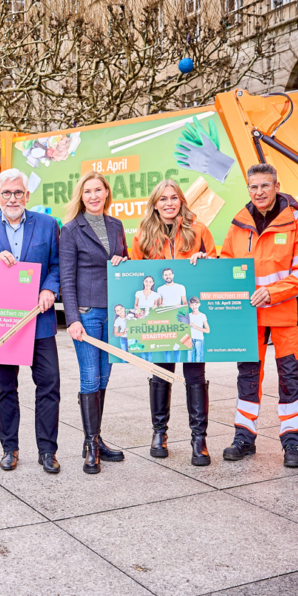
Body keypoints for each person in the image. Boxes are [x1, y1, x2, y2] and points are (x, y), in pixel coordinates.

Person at [0, 168, 62, 474]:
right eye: (6, 193)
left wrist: (49, 288)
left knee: (49, 385)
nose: (12, 198)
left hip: (40, 320)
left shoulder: (47, 225)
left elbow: (58, 264)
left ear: (27, 195)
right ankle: (10, 448)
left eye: (18, 192)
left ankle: (47, 451)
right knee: (5, 388)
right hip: (2, 324)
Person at [220, 163, 298, 468]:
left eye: (264, 186)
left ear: (276, 186)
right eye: (253, 187)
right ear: (248, 188)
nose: (258, 192)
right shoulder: (239, 223)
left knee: (290, 378)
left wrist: (272, 292)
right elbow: (225, 265)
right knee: (247, 378)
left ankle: (292, 443)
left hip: (287, 312)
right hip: (249, 317)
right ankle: (244, 438)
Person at [129, 178, 216, 466]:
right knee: (161, 374)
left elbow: (216, 265)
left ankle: (198, 438)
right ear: (155, 203)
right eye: (163, 198)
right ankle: (159, 434)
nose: (169, 203)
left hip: (188, 319)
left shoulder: (199, 229)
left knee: (194, 375)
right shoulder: (143, 234)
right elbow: (134, 271)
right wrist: (121, 264)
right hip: (160, 324)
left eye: (174, 197)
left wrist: (206, 259)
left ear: (181, 200)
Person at [60, 170, 129, 475]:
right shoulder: (71, 229)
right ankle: (90, 445)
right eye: (88, 191)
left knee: (103, 378)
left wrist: (122, 261)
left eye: (98, 190)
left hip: (112, 312)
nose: (93, 196)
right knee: (89, 378)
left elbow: (124, 262)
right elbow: (66, 278)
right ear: (81, 196)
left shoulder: (117, 226)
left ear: (106, 193)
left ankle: (97, 441)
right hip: (87, 314)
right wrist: (72, 318)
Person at [188, 297, 209, 362]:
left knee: (199, 359)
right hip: (190, 340)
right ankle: (190, 371)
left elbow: (207, 330)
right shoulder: (188, 315)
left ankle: (198, 372)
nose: (194, 306)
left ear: (199, 304)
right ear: (190, 306)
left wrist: (195, 326)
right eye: (192, 305)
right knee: (189, 358)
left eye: (195, 304)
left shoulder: (202, 315)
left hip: (199, 340)